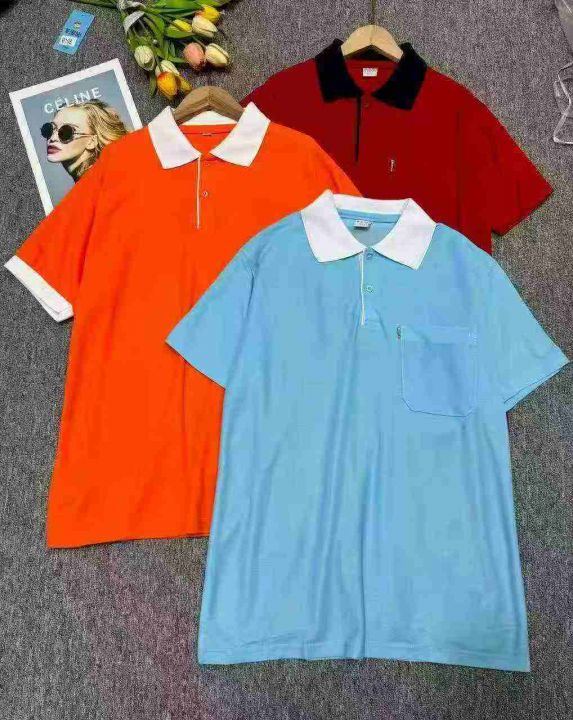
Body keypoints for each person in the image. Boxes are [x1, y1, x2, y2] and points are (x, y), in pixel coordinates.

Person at [41, 100, 128, 181]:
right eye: (50, 129)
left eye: (66, 132)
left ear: (92, 141)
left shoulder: (99, 182)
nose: (53, 138)